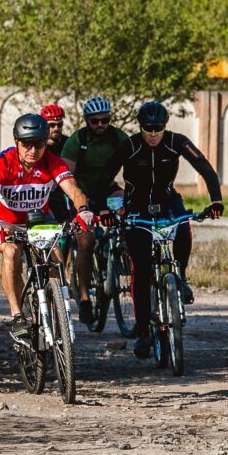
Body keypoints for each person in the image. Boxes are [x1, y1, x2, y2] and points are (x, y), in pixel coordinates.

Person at [97, 101, 224, 358]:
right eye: (148, 128)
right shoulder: (131, 145)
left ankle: (182, 277)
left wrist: (216, 200)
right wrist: (102, 210)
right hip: (137, 206)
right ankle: (143, 332)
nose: (153, 133)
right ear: (140, 127)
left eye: (158, 128)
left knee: (184, 224)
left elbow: (205, 168)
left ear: (165, 127)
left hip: (167, 200)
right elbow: (104, 175)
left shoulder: (176, 141)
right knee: (141, 269)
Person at [0, 113, 91, 341]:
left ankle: (54, 307)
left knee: (55, 261)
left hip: (39, 220)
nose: (32, 150)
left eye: (38, 143)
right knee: (11, 252)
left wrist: (83, 211)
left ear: (45, 143)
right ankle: (17, 314)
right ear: (17, 142)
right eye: (26, 144)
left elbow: (74, 190)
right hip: (7, 223)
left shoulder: (51, 161)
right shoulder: (5, 162)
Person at [60, 97, 129, 325]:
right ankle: (83, 296)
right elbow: (67, 179)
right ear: (87, 121)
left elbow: (133, 168)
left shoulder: (119, 138)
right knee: (86, 241)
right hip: (82, 194)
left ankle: (119, 252)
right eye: (95, 121)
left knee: (129, 214)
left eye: (105, 120)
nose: (100, 125)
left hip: (108, 192)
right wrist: (82, 203)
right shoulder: (76, 141)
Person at [39, 103, 71, 224]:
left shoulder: (69, 143)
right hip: (44, 190)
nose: (56, 128)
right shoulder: (37, 144)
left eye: (59, 124)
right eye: (51, 125)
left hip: (65, 187)